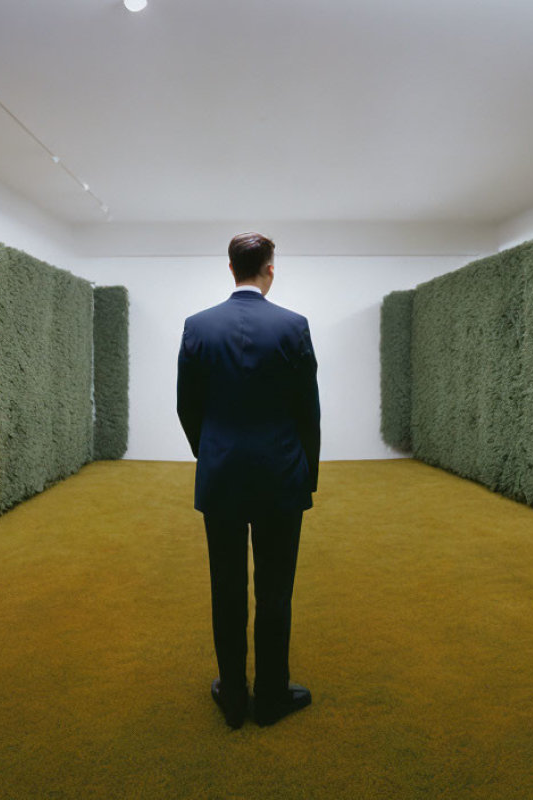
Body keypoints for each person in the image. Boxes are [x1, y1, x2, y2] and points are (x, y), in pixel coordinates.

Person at [177, 232, 321, 729]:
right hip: (281, 476)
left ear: (231, 268)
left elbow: (187, 407)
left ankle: (234, 697)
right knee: (275, 590)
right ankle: (272, 695)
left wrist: (211, 454)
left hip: (221, 479)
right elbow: (308, 411)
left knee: (227, 587)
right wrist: (308, 473)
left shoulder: (198, 327)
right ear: (269, 270)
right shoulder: (293, 326)